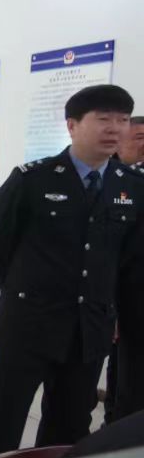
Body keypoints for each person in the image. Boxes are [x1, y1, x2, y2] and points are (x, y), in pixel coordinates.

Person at [0, 85, 144, 458]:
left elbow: (129, 262)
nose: (115, 128)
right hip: (29, 322)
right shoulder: (33, 179)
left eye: (123, 120)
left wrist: (115, 312)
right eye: (103, 119)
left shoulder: (132, 186)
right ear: (72, 125)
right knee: (2, 419)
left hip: (89, 327)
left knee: (70, 423)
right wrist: (22, 290)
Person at [106, 116, 144, 423]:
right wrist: (112, 306)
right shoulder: (110, 185)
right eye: (140, 137)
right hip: (126, 298)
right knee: (127, 378)